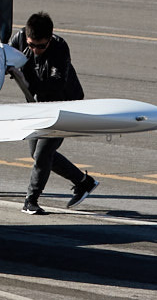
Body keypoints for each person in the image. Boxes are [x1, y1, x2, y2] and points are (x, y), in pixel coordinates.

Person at [11, 11, 98, 214]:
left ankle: (30, 200)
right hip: (37, 105)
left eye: (41, 46)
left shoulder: (60, 48)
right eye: (31, 45)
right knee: (36, 153)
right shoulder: (18, 40)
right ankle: (83, 182)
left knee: (43, 154)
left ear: (50, 39)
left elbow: (54, 86)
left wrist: (24, 74)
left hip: (64, 105)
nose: (35, 50)